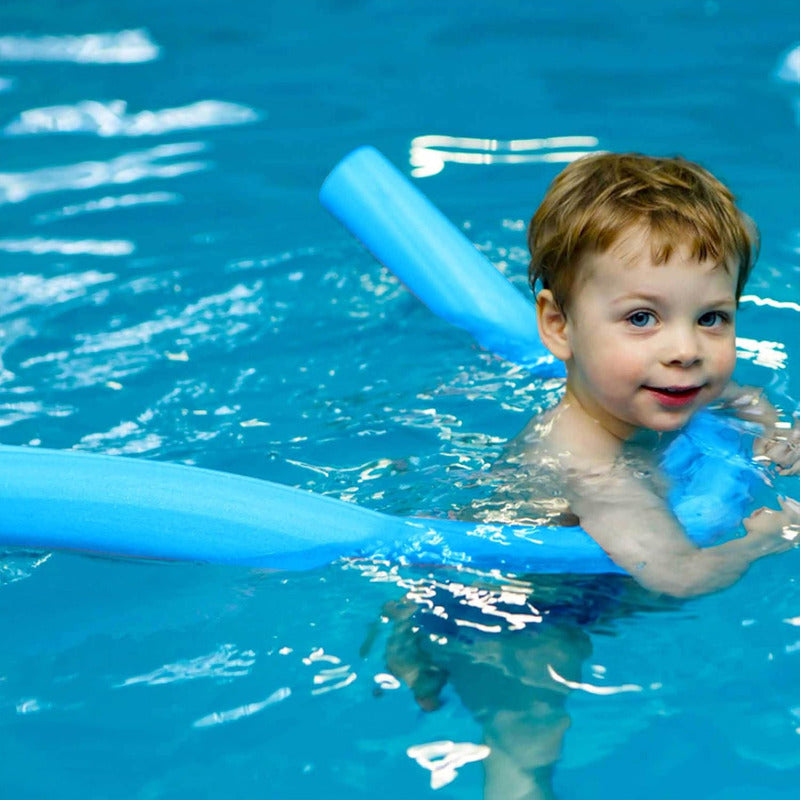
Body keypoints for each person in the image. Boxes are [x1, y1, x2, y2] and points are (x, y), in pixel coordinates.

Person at [381, 153, 800, 800]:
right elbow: (681, 575)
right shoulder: (588, 462)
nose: (685, 349)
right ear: (558, 326)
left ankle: (413, 637)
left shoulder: (662, 388)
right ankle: (421, 634)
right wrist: (766, 539)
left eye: (711, 317)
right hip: (505, 611)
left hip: (573, 580)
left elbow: (739, 397)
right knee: (529, 743)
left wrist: (770, 431)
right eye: (642, 318)